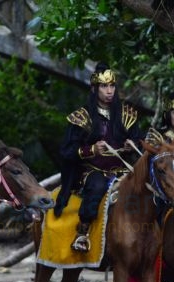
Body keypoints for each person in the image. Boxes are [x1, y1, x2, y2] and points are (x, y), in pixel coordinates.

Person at [54, 62, 142, 252]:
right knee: (97, 186)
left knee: (148, 186)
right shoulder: (81, 117)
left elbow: (139, 139)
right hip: (92, 171)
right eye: (104, 86)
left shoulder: (127, 115)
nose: (109, 91)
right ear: (94, 89)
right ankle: (83, 233)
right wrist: (92, 150)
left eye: (112, 86)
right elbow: (67, 151)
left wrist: (133, 144)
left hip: (123, 170)